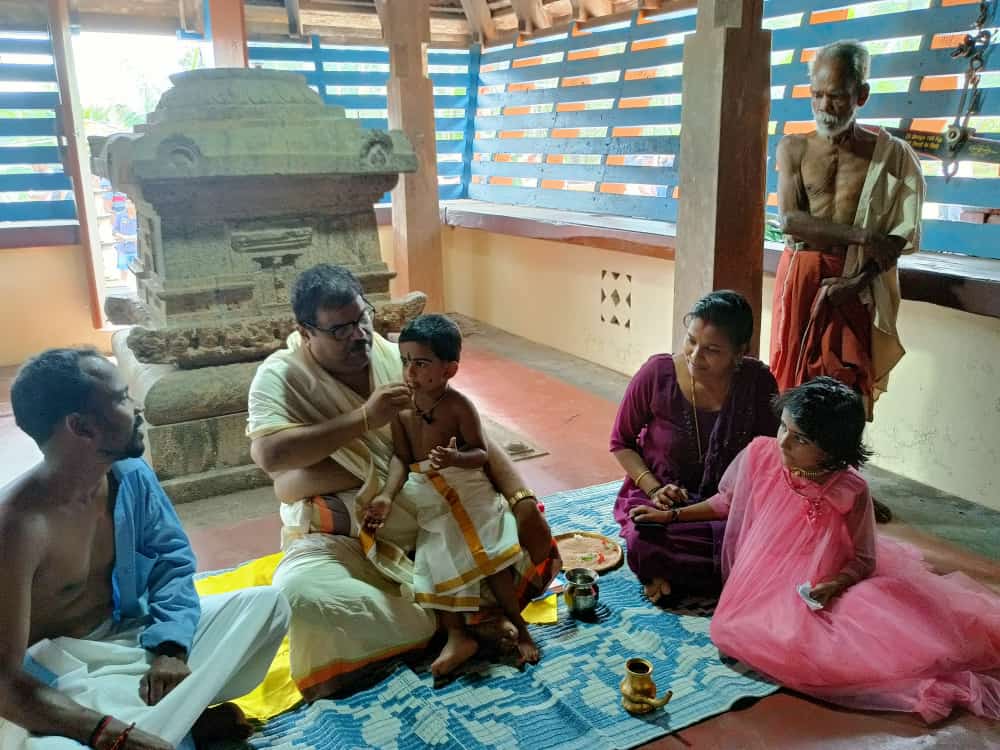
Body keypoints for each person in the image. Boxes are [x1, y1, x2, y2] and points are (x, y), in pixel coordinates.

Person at [247, 264, 560, 699]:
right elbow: (270, 456)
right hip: (344, 537)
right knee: (299, 597)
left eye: (362, 318)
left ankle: (455, 619)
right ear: (305, 331)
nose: (358, 335)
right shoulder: (282, 376)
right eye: (340, 330)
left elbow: (469, 431)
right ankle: (466, 617)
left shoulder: (393, 354)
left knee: (515, 531)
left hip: (431, 518)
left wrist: (522, 500)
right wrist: (362, 420)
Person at [635, 377, 1000, 722]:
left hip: (819, 577)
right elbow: (727, 501)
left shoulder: (848, 490)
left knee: (813, 643)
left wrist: (836, 584)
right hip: (766, 571)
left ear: (832, 449)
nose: (783, 442)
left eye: (800, 439)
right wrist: (670, 516)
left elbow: (864, 558)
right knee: (730, 630)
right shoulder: (761, 454)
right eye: (783, 428)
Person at [0, 348, 289, 750]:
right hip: (65, 676)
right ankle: (178, 725)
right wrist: (105, 732)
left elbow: (172, 565)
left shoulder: (131, 477)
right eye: (120, 398)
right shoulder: (16, 526)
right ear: (81, 427)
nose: (136, 408)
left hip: (138, 644)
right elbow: (3, 681)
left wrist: (171, 647)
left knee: (269, 605)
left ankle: (168, 725)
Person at [771, 39, 926, 522]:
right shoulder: (793, 147)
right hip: (803, 276)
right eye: (816, 95)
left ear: (861, 94)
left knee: (848, 385)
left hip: (857, 283)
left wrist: (859, 281)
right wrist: (862, 234)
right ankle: (788, 483)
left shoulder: (890, 156)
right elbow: (791, 221)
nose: (824, 106)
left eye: (835, 95)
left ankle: (849, 488)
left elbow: (901, 233)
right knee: (794, 380)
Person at [366, 314, 535, 677]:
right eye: (405, 361)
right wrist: (386, 495)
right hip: (431, 498)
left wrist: (456, 457)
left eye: (421, 363)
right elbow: (401, 456)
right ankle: (458, 636)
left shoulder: (459, 406)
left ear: (449, 369)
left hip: (469, 492)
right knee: (437, 562)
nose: (410, 371)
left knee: (490, 561)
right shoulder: (402, 409)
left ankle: (521, 628)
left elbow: (481, 453)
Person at [612, 291, 779, 604]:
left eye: (712, 350)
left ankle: (673, 574)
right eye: (691, 340)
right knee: (642, 537)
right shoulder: (657, 374)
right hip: (660, 496)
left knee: (771, 541)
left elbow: (769, 456)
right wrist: (653, 489)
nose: (695, 355)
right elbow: (621, 442)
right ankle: (719, 574)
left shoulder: (757, 384)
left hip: (728, 502)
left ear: (739, 352)